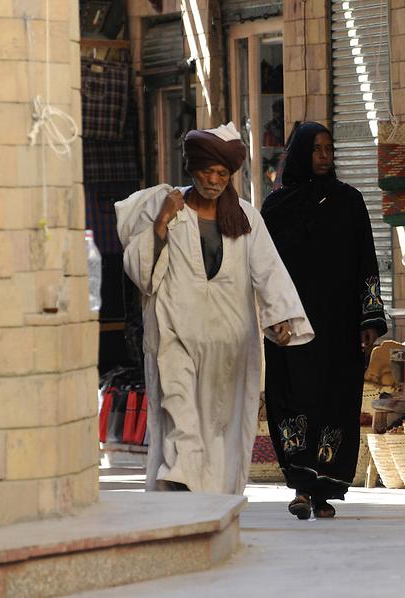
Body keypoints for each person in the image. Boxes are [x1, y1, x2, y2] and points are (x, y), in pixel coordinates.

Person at [116, 123, 314, 495]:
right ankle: (180, 485)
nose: (214, 180)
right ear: (192, 169)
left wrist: (280, 315)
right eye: (208, 171)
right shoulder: (168, 208)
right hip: (174, 331)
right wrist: (161, 222)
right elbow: (141, 273)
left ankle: (209, 499)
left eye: (222, 173)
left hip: (228, 341)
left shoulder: (244, 217)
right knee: (180, 414)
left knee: (220, 424)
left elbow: (267, 268)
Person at [261, 122, 388, 519]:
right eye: (316, 149)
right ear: (300, 153)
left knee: (334, 400)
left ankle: (324, 489)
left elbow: (366, 260)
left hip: (338, 324)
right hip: (291, 325)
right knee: (293, 398)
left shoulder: (348, 201)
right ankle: (300, 486)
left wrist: (369, 318)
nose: (324, 156)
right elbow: (262, 269)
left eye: (329, 149)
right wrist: (269, 315)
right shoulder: (276, 207)